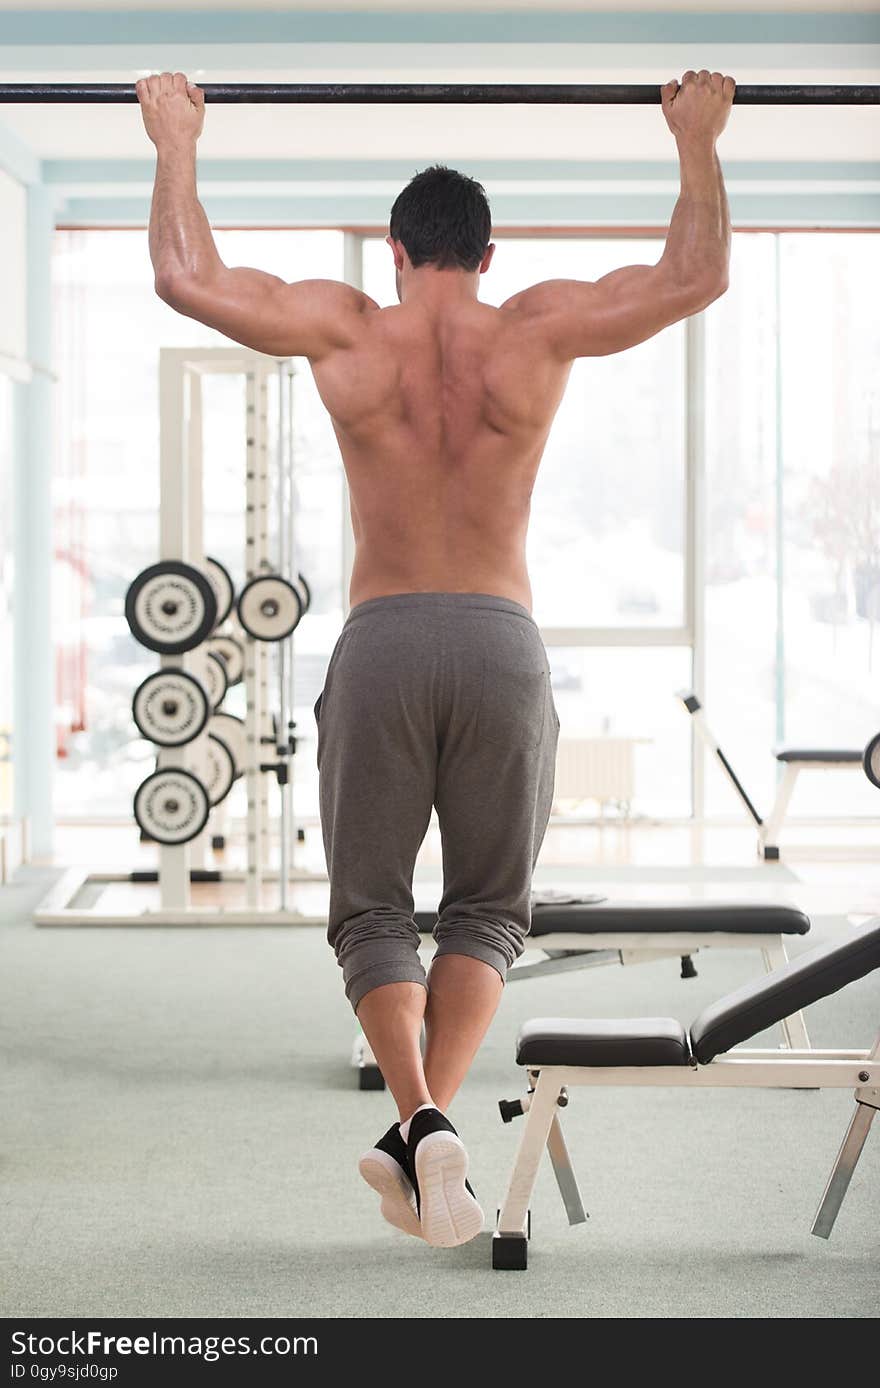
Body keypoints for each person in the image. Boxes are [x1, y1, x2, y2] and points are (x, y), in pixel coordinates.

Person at [138, 68, 734, 1248]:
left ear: (399, 253)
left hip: (384, 638)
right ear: (488, 253)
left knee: (371, 912)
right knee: (485, 910)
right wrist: (697, 140)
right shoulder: (535, 328)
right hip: (501, 645)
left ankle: (417, 1117)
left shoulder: (347, 326)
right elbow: (692, 275)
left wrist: (175, 140)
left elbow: (184, 276)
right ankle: (435, 1121)